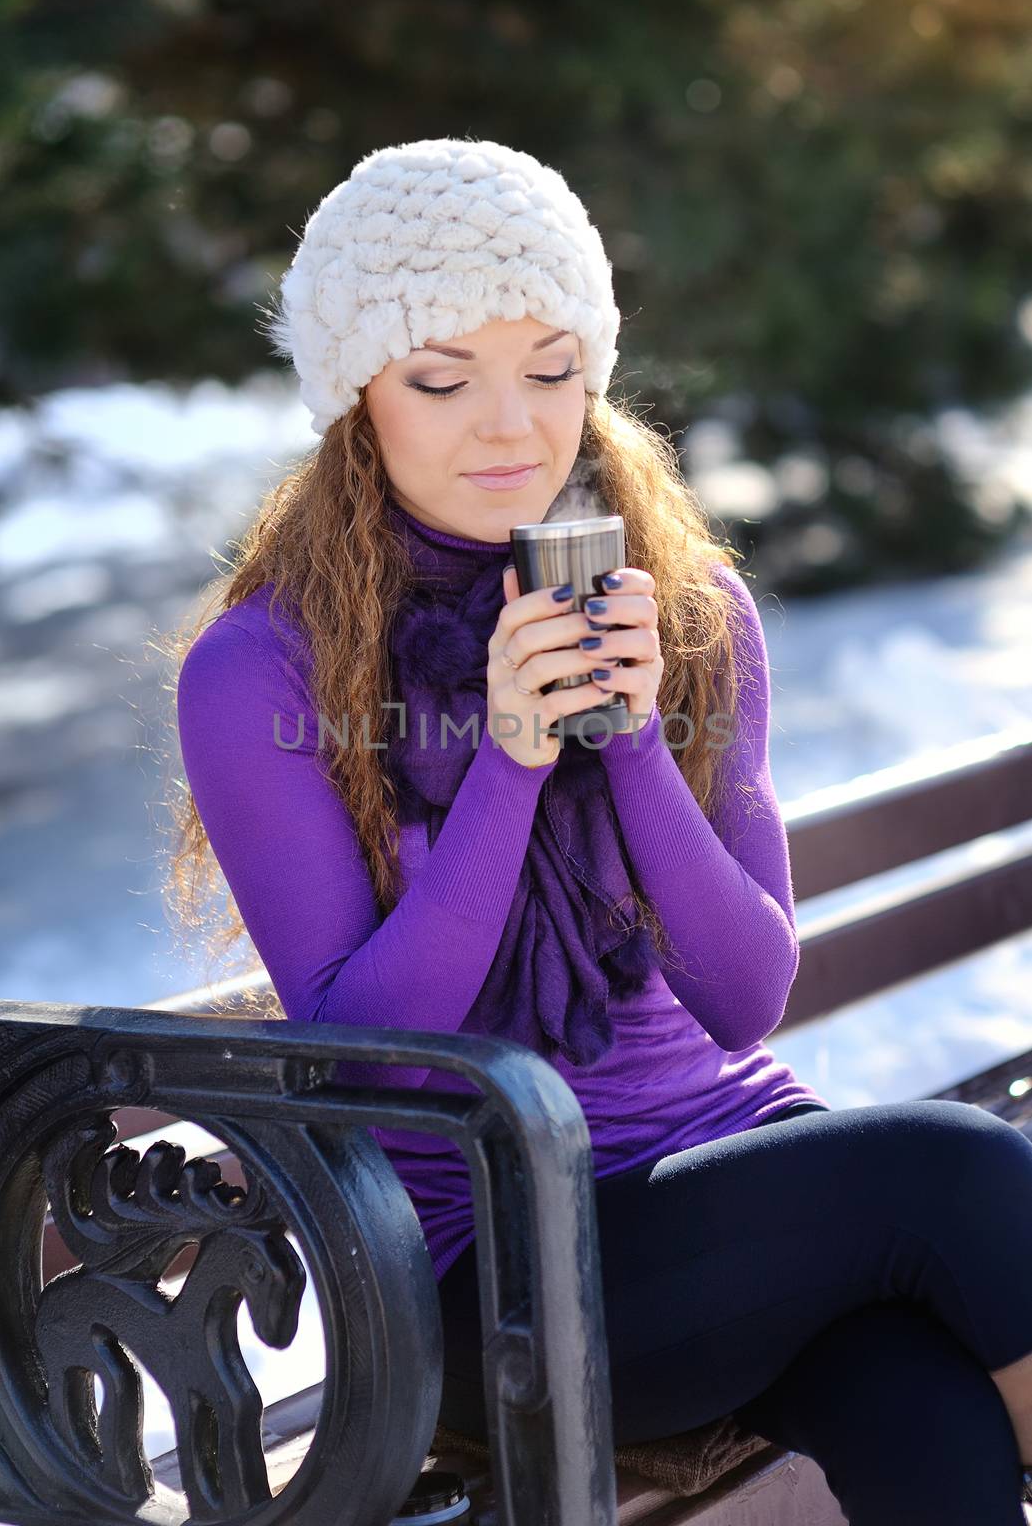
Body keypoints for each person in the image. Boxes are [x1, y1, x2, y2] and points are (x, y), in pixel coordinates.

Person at [169, 137, 1032, 1522]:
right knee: (964, 1171)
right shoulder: (263, 668)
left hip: (731, 1190)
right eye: (443, 379)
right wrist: (508, 764)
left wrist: (628, 738)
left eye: (553, 369)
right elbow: (372, 1063)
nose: (511, 425)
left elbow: (743, 1001)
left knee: (927, 1424)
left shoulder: (686, 609)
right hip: (489, 1274)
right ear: (357, 401)